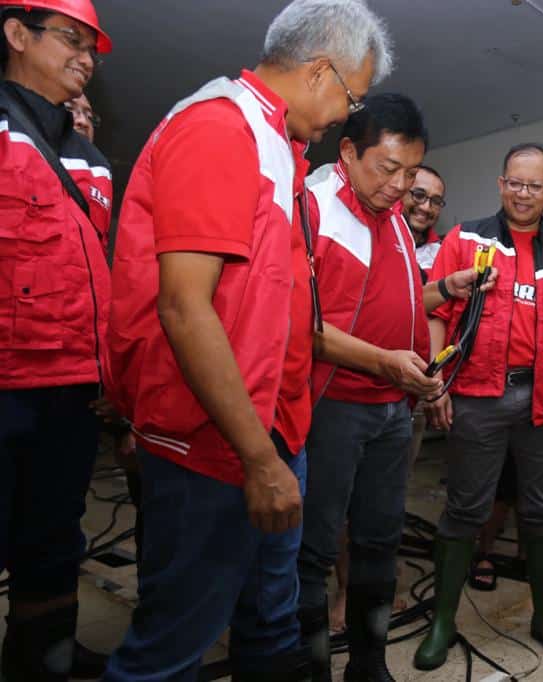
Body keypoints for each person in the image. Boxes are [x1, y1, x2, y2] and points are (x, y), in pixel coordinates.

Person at [103, 2, 391, 679]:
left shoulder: (276, 146)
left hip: (272, 434)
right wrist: (259, 461)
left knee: (269, 624)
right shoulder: (219, 129)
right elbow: (183, 307)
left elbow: (272, 308)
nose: (343, 118)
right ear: (320, 72)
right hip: (218, 446)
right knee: (173, 644)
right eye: (352, 99)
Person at [416, 142, 543, 669]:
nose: (523, 193)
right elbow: (431, 306)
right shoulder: (466, 238)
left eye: (534, 186)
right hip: (476, 395)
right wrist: (436, 379)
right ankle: (443, 621)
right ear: (501, 184)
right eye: (515, 183)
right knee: (465, 510)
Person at [297, 92, 438, 681]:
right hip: (332, 407)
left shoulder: (397, 222)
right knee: (314, 550)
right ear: (348, 151)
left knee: (380, 542)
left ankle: (370, 662)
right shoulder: (311, 207)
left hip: (391, 410)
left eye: (411, 172)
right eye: (389, 169)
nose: (401, 185)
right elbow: (298, 325)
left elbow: (400, 308)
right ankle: (311, 669)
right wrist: (383, 362)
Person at [0, 1, 113, 679]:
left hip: (70, 387)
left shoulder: (91, 160)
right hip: (5, 385)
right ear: (17, 34)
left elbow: (99, 268)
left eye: (91, 47)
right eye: (71, 39)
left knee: (54, 539)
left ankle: (44, 658)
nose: (86, 57)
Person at [402, 163, 445, 271]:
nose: (426, 207)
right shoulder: (374, 238)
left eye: (436, 201)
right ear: (400, 193)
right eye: (419, 195)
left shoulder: (442, 254)